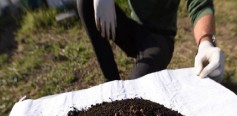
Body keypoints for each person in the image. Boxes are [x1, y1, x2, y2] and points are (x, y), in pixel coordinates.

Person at [76, 0, 224, 83]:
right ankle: (111, 81)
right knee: (84, 2)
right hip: (133, 29)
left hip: (159, 39)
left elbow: (200, 5)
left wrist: (206, 42)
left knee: (136, 91)